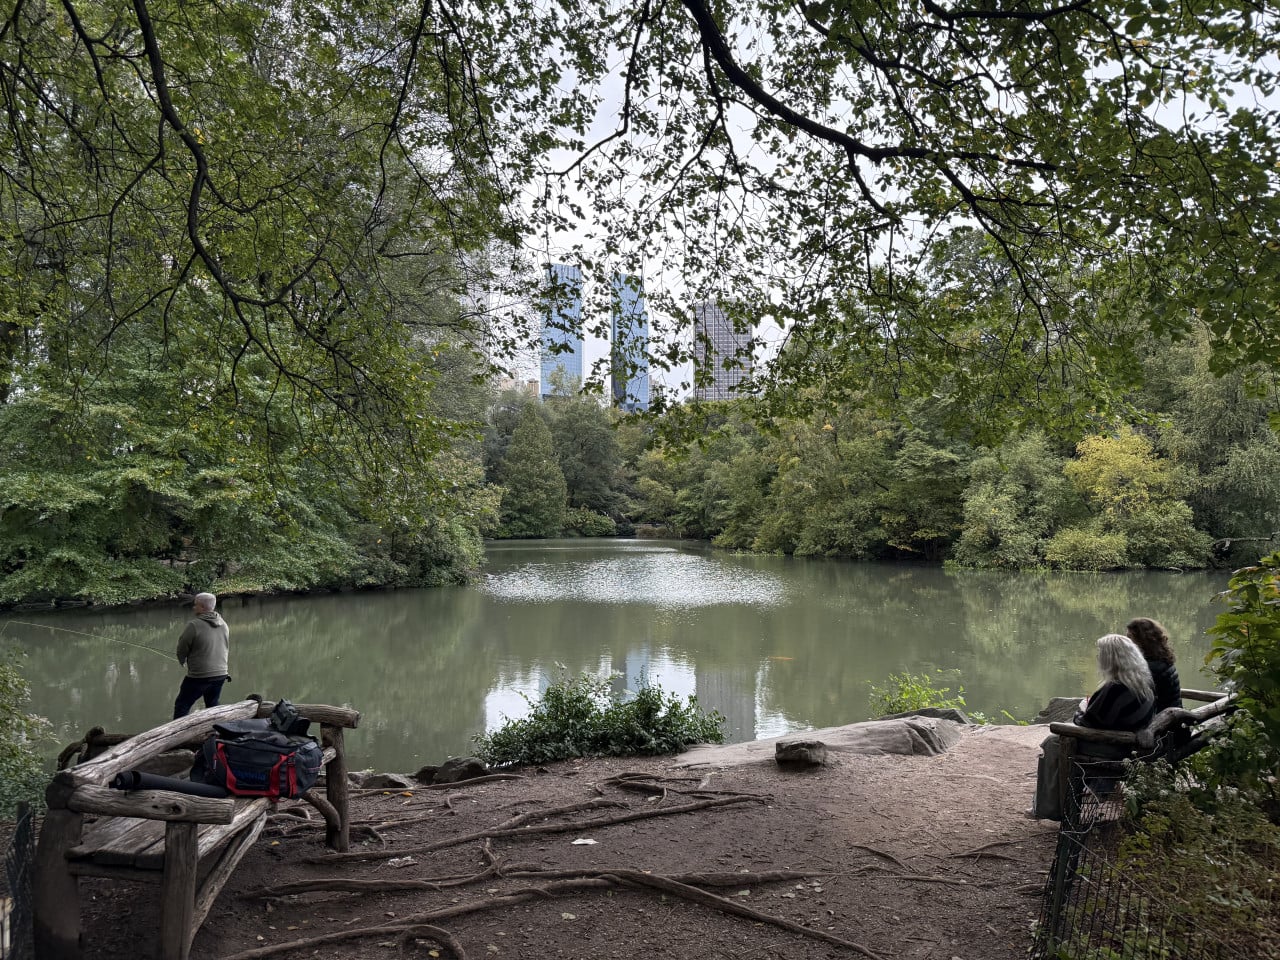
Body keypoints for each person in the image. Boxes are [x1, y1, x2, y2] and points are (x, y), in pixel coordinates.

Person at [1030, 634, 1156, 821]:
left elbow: (1087, 723)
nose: (1098, 658)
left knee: (1053, 743)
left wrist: (1081, 709)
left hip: (1112, 749)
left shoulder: (1115, 688)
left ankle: (1051, 808)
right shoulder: (1144, 683)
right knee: (1057, 741)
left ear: (1112, 659)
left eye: (1101, 654)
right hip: (1128, 746)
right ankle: (1081, 796)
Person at [173, 592, 231, 719]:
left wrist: (182, 660)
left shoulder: (194, 625)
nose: (194, 607)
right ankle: (215, 731)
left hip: (199, 676)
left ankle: (178, 734)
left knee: (182, 705)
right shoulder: (224, 624)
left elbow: (182, 648)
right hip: (221, 674)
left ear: (203, 608)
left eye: (196, 605)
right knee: (213, 705)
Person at [1125, 617, 1182, 712]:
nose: (1127, 643)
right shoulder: (1162, 659)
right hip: (1172, 714)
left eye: (1130, 638)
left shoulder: (1149, 668)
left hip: (1164, 720)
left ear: (1142, 640)